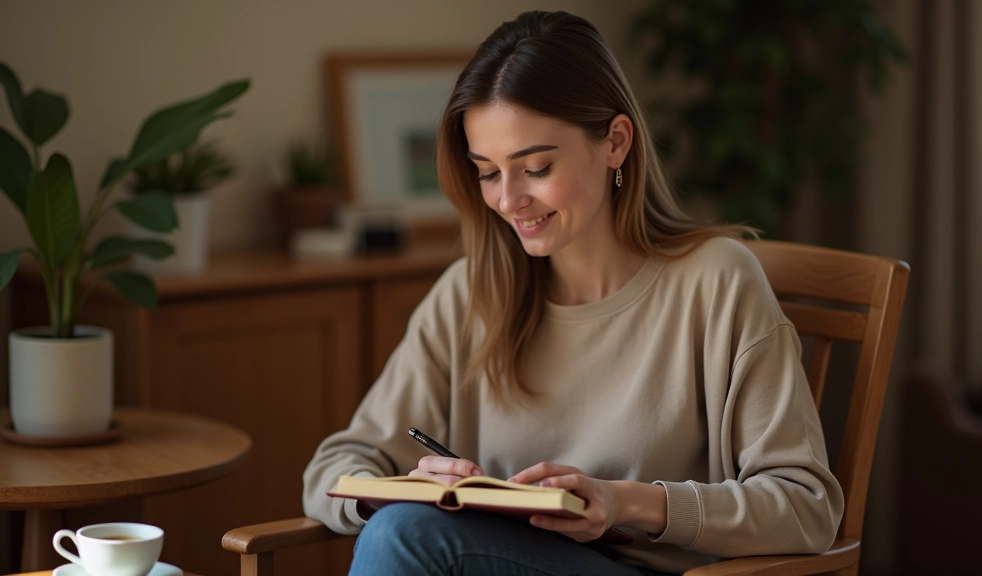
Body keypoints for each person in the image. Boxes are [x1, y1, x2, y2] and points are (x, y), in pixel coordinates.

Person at [303, 10, 843, 575]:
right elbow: (334, 468)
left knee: (406, 539)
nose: (509, 200)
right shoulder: (471, 293)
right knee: (401, 527)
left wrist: (628, 503)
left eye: (534, 167)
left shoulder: (717, 282)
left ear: (615, 142)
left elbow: (806, 508)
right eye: (487, 172)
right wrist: (389, 491)